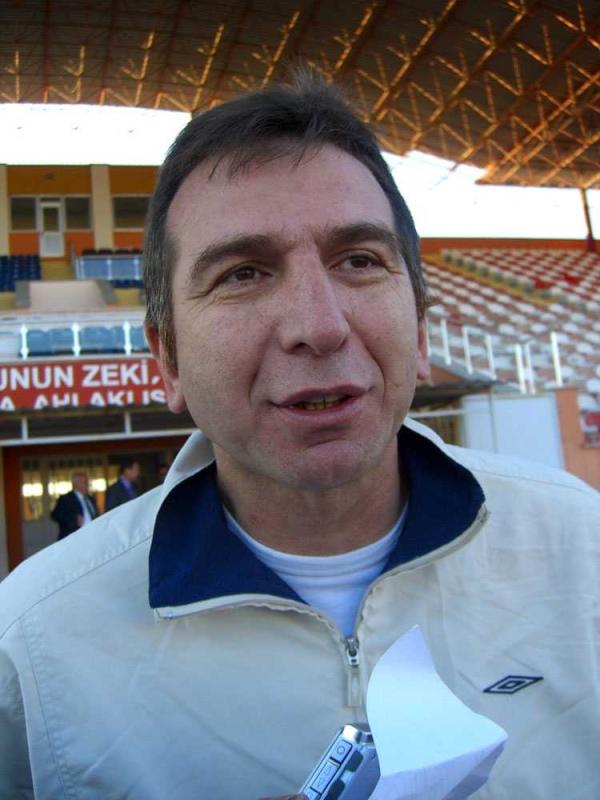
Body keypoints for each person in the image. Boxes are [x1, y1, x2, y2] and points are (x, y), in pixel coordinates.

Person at [0, 75, 598, 800]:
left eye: (359, 260)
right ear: (168, 360)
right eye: (243, 273)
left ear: (419, 323)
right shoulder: (30, 647)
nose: (320, 325)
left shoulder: (583, 552)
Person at [50, 471, 98, 539]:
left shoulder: (91, 499)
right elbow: (55, 515)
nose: (88, 485)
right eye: (85, 482)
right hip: (74, 537)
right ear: (76, 484)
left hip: (91, 536)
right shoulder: (66, 499)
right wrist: (74, 519)